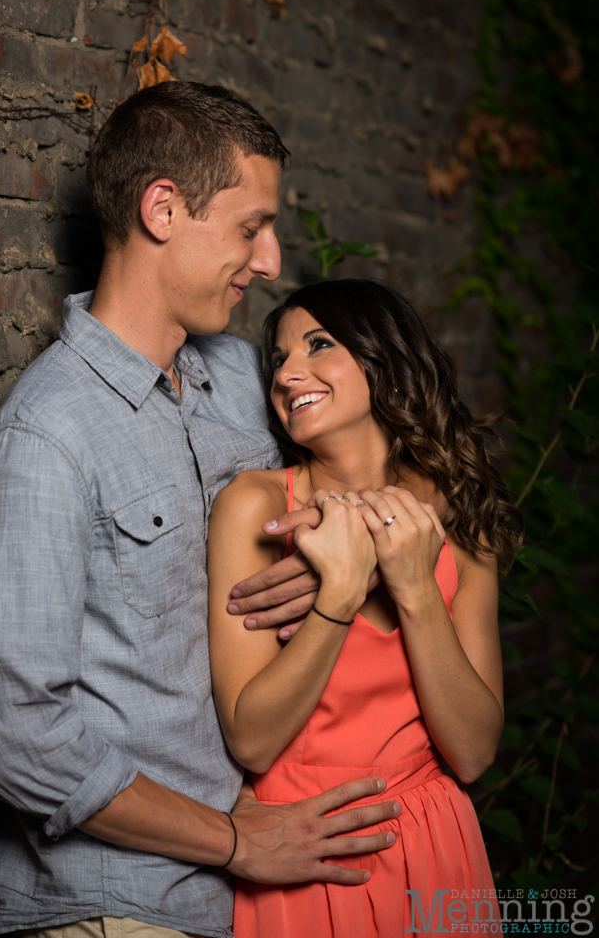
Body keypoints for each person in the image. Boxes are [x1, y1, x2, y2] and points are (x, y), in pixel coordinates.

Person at [0, 85, 406, 938]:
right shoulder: (45, 440)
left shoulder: (241, 379)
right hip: (113, 909)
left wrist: (332, 558)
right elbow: (14, 740)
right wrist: (232, 840)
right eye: (248, 228)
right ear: (162, 208)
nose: (270, 260)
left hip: (246, 901)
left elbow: (383, 463)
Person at [207, 278, 523, 937]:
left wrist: (411, 586)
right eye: (278, 358)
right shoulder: (256, 507)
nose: (288, 372)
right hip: (308, 850)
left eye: (317, 345)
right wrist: (340, 594)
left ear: (384, 359)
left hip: (435, 845)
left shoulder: (459, 516)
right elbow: (253, 738)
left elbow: (470, 752)